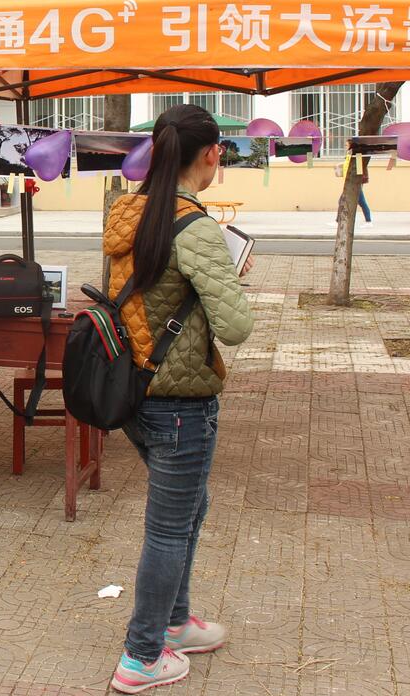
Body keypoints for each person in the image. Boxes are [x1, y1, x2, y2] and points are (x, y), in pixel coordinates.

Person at [103, 104, 255, 693]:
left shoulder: (129, 216)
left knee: (190, 508)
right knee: (169, 527)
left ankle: (175, 622)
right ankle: (142, 656)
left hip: (136, 391)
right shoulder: (195, 229)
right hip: (181, 401)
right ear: (211, 154)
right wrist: (230, 280)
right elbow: (235, 326)